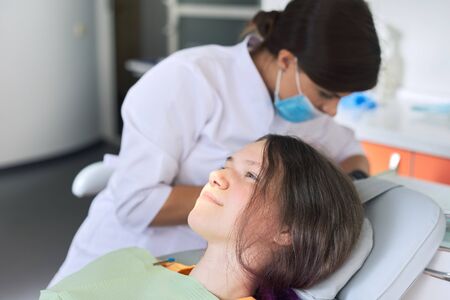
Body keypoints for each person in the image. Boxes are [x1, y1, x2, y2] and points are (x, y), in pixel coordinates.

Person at [49, 0, 380, 285]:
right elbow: (137, 203)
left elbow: (351, 153)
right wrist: (261, 207)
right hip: (127, 257)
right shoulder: (190, 78)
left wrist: (352, 184)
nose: (331, 111)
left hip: (208, 275)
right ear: (285, 60)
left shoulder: (309, 112)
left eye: (341, 99)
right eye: (326, 95)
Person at [41, 135, 364, 300]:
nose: (216, 175)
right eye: (227, 164)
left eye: (251, 175)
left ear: (288, 229)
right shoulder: (144, 264)